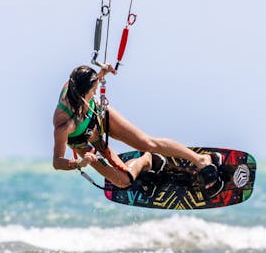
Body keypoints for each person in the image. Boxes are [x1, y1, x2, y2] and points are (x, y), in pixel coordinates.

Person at [52, 63, 223, 197]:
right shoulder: (64, 124)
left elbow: (90, 80)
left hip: (100, 117)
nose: (96, 92)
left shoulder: (78, 83)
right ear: (82, 94)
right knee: (123, 182)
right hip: (85, 144)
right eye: (93, 91)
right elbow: (57, 162)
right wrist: (78, 163)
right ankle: (147, 160)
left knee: (146, 142)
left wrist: (102, 72)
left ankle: (201, 160)